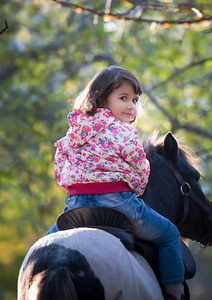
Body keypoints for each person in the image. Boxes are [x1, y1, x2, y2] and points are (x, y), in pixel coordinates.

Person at [48, 66, 184, 300]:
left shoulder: (74, 131)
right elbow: (142, 168)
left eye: (135, 100)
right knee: (170, 235)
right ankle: (173, 295)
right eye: (123, 98)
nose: (132, 106)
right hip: (118, 202)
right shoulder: (124, 132)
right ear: (101, 99)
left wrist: (75, 185)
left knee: (48, 245)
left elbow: (60, 164)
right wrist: (137, 190)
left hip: (76, 205)